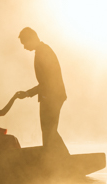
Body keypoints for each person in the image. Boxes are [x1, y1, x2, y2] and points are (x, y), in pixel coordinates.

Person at [16, 27, 69, 156]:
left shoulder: (43, 52)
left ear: (31, 39)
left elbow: (47, 81)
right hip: (51, 95)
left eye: (24, 43)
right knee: (49, 130)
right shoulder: (42, 51)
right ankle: (61, 158)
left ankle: (57, 160)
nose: (24, 47)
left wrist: (28, 93)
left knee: (48, 130)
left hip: (52, 96)